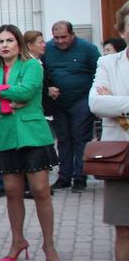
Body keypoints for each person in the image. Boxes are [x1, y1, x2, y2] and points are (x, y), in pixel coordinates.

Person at [0, 25, 61, 261]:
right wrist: (3, 105)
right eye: (0, 41)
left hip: (33, 135)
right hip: (6, 136)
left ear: (19, 43)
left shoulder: (32, 65)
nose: (4, 45)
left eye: (9, 40)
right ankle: (17, 241)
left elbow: (27, 92)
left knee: (40, 191)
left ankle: (49, 244)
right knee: (12, 192)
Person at [89, 0, 129, 261]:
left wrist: (118, 104)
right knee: (124, 230)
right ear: (122, 30)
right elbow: (96, 103)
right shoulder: (108, 62)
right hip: (121, 156)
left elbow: (109, 103)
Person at [43, 20, 101, 192]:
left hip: (81, 100)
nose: (60, 41)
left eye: (64, 37)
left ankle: (80, 177)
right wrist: (47, 88)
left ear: (72, 34)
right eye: (56, 38)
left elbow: (99, 71)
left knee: (80, 138)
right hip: (58, 103)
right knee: (63, 139)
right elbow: (42, 73)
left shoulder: (88, 49)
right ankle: (64, 176)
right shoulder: (47, 49)